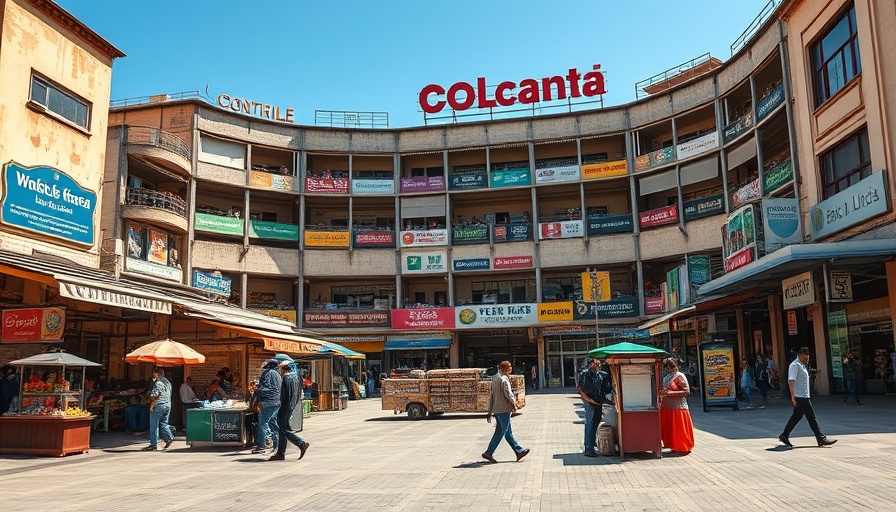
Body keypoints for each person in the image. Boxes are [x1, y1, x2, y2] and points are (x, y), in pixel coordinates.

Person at [778, 347, 837, 448]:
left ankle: (784, 435)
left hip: (804, 395)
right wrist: (792, 396)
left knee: (797, 416)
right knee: (811, 416)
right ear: (800, 355)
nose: (807, 359)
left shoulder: (802, 365)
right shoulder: (794, 365)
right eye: (806, 357)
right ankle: (820, 438)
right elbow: (791, 381)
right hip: (800, 396)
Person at [481, 360, 529, 464]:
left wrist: (490, 411)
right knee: (501, 432)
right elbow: (508, 393)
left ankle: (518, 451)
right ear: (502, 369)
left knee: (507, 432)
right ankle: (489, 452)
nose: (510, 370)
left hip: (497, 409)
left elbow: (492, 396)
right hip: (503, 409)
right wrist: (514, 404)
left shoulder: (495, 378)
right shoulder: (503, 379)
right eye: (508, 368)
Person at [268, 360, 310, 461]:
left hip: (285, 405)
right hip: (291, 405)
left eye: (280, 368)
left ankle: (301, 442)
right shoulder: (296, 377)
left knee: (282, 428)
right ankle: (280, 453)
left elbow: (284, 395)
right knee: (284, 427)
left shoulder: (287, 378)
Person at [577, 357, 612, 457]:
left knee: (595, 422)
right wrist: (589, 400)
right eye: (594, 362)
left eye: (597, 362)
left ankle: (592, 444)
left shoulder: (602, 375)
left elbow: (607, 389)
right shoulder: (584, 374)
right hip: (590, 402)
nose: (596, 364)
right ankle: (589, 447)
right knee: (590, 423)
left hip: (598, 402)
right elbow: (581, 389)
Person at [659, 358, 695, 454]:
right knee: (670, 428)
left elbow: (686, 391)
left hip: (678, 406)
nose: (669, 368)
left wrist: (670, 393)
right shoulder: (667, 377)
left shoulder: (680, 376)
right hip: (668, 406)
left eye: (669, 366)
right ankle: (673, 445)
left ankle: (682, 446)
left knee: (678, 428)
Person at [253, 359, 282, 454]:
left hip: (268, 402)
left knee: (262, 423)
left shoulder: (268, 373)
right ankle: (276, 445)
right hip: (276, 402)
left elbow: (267, 388)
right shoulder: (277, 374)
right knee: (273, 423)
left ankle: (262, 445)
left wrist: (257, 390)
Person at [143, 367, 174, 451]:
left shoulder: (158, 383)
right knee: (164, 423)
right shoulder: (168, 383)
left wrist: (151, 406)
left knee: (154, 425)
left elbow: (154, 396)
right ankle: (169, 437)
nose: (153, 375)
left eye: (154, 374)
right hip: (167, 404)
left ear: (157, 374)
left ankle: (154, 444)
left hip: (158, 405)